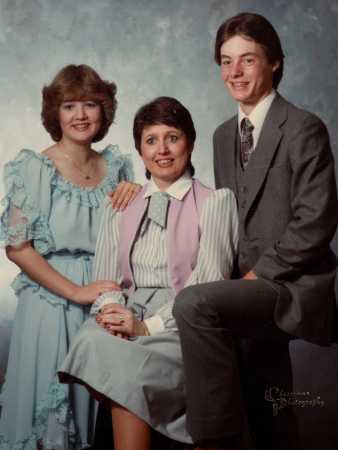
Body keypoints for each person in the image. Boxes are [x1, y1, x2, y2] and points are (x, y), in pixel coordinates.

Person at [172, 12, 338, 450]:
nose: (235, 72)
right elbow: (217, 210)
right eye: (226, 62)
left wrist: (257, 274)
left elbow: (316, 221)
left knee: (193, 304)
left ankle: (212, 441)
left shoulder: (304, 128)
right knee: (266, 397)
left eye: (247, 60)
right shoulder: (223, 134)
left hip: (289, 282)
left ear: (275, 63)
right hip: (242, 282)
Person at [58, 96, 239, 450]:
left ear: (190, 141)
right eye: (151, 140)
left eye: (172, 137)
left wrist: (146, 327)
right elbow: (107, 279)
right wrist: (113, 314)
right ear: (140, 150)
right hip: (128, 313)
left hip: (183, 322)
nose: (163, 150)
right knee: (91, 339)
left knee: (128, 370)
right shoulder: (122, 204)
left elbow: (207, 286)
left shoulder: (216, 202)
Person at [0, 64, 140, 450]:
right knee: (51, 418)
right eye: (69, 106)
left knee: (100, 414)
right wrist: (77, 292)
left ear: (105, 110)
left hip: (106, 300)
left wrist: (138, 193)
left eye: (91, 105)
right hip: (52, 302)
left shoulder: (118, 168)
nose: (80, 115)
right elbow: (18, 248)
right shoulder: (35, 168)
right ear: (54, 114)